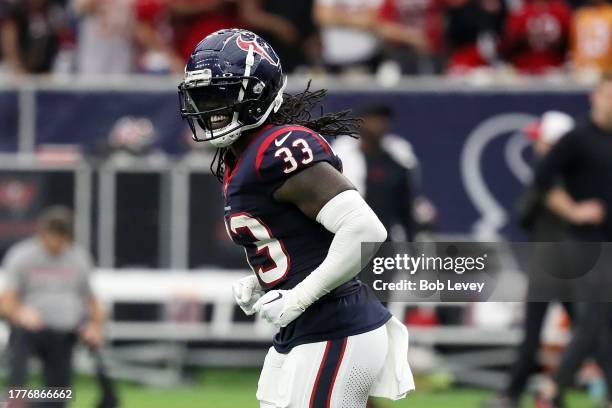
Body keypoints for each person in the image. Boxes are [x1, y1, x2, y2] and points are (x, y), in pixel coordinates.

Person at [178, 29, 414, 407]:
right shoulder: (242, 156)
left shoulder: (277, 148)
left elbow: (365, 228)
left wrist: (298, 296)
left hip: (335, 328)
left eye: (218, 96)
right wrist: (265, 278)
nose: (207, 106)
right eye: (202, 95)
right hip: (308, 332)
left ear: (255, 96)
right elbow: (301, 239)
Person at [483, 111, 575, 408]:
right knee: (589, 331)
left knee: (578, 333)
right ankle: (531, 392)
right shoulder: (577, 175)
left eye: (541, 141)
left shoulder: (555, 177)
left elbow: (524, 215)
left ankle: (520, 394)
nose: (536, 146)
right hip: (570, 260)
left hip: (555, 261)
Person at [532, 74, 612, 408]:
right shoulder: (577, 139)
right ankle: (551, 390)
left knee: (602, 325)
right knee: (593, 318)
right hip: (584, 243)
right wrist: (574, 211)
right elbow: (542, 180)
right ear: (595, 96)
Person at [0, 206, 104, 408]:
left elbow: (91, 300)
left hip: (65, 331)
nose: (56, 243)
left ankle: (40, 404)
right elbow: (6, 300)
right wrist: (20, 312)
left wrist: (94, 326)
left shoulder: (78, 258)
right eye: (53, 236)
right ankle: (16, 399)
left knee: (57, 396)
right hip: (29, 330)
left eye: (62, 237)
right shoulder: (23, 256)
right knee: (19, 357)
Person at [332, 103, 420, 241]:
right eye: (374, 119)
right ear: (360, 123)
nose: (380, 124)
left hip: (386, 238)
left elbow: (405, 208)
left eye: (383, 120)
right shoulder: (341, 157)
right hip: (350, 236)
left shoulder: (397, 160)